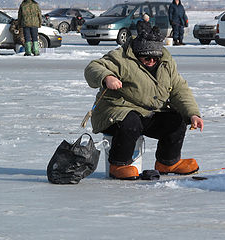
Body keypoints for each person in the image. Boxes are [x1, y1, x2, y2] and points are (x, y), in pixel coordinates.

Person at [84, 26, 204, 180]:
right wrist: (107, 77)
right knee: (130, 121)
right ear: (138, 53)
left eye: (155, 58)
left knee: (177, 119)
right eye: (147, 58)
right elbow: (93, 67)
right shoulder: (121, 57)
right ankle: (118, 165)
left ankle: (168, 162)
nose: (151, 61)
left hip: (149, 112)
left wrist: (193, 114)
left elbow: (179, 90)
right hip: (115, 111)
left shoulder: (166, 63)